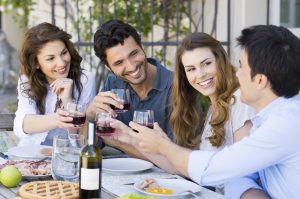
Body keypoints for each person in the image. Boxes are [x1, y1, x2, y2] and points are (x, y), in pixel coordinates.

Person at [129, 25, 300, 199]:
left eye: (241, 67)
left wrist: (164, 146)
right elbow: (235, 175)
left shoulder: (283, 123)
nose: (237, 74)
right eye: (191, 69)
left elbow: (220, 169)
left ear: (260, 80)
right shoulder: (268, 118)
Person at [109, 32, 255, 193]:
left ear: (220, 60)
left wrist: (165, 146)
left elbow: (243, 171)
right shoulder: (214, 108)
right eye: (191, 69)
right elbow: (187, 167)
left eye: (206, 63)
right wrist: (128, 137)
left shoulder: (240, 101)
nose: (200, 75)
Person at [85, 20, 173, 158]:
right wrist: (90, 117)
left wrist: (120, 142)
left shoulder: (177, 87)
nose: (131, 67)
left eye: (133, 54)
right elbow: (90, 146)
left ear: (142, 47)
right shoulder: (113, 84)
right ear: (108, 67)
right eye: (119, 62)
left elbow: (179, 159)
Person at [14, 22, 96, 146]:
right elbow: (22, 125)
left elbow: (83, 141)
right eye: (50, 58)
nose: (62, 63)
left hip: (67, 155)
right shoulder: (27, 80)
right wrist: (57, 119)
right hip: (32, 154)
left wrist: (68, 102)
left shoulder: (85, 80)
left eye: (64, 53)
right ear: (36, 63)